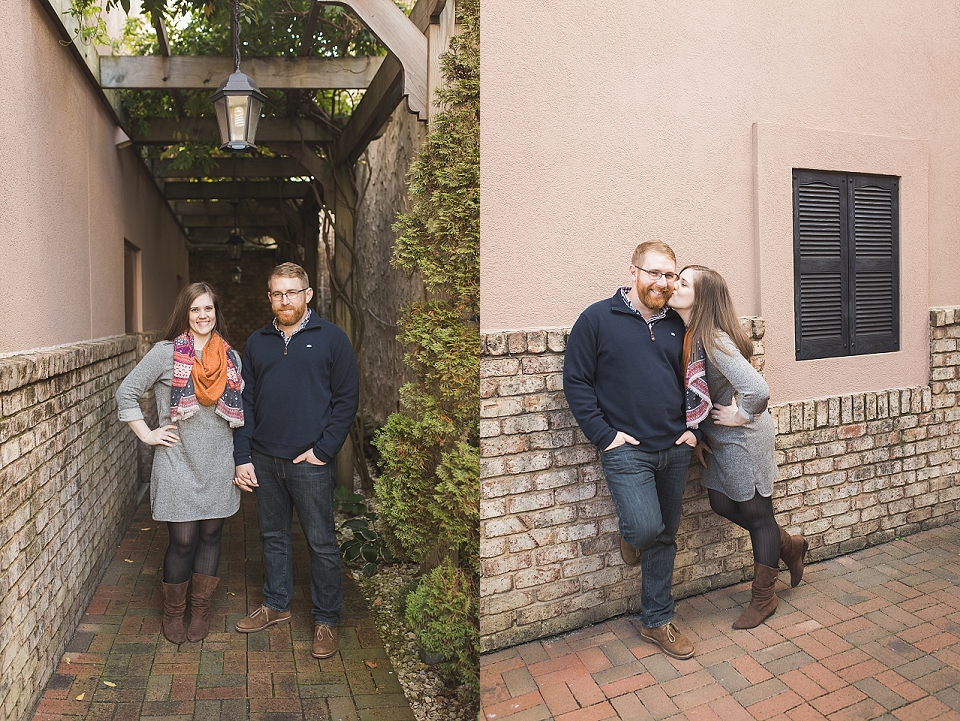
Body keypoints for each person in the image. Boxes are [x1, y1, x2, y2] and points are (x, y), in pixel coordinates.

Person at [563, 241, 699, 660]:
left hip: (675, 447)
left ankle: (657, 620)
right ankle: (631, 536)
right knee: (645, 529)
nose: (662, 282)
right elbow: (577, 382)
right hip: (626, 449)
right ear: (633, 271)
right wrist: (605, 436)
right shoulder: (597, 319)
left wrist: (694, 429)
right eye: (654, 273)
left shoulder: (680, 324)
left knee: (665, 536)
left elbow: (701, 379)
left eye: (669, 275)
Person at [232, 262, 359, 660]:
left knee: (320, 542)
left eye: (291, 292)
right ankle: (276, 604)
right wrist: (243, 455)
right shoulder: (257, 342)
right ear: (269, 297)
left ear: (307, 295)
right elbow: (245, 402)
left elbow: (346, 401)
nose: (284, 300)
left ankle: (325, 620)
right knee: (272, 536)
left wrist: (323, 451)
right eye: (276, 293)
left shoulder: (333, 340)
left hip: (309, 462)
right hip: (265, 459)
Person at [669, 265, 807, 629]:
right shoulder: (690, 334)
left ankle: (764, 598)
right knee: (720, 501)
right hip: (719, 440)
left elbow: (758, 390)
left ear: (701, 299)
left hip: (744, 438)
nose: (674, 286)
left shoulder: (713, 339)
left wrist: (741, 415)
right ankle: (790, 547)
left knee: (758, 514)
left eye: (683, 283)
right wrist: (700, 434)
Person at [116, 282, 243, 644]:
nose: (203, 316)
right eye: (195, 310)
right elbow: (126, 392)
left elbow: (242, 416)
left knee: (211, 535)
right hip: (177, 462)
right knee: (183, 540)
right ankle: (174, 612)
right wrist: (147, 434)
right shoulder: (165, 354)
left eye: (209, 309)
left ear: (216, 313)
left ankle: (200, 610)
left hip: (219, 462)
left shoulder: (231, 359)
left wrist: (240, 462)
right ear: (185, 314)